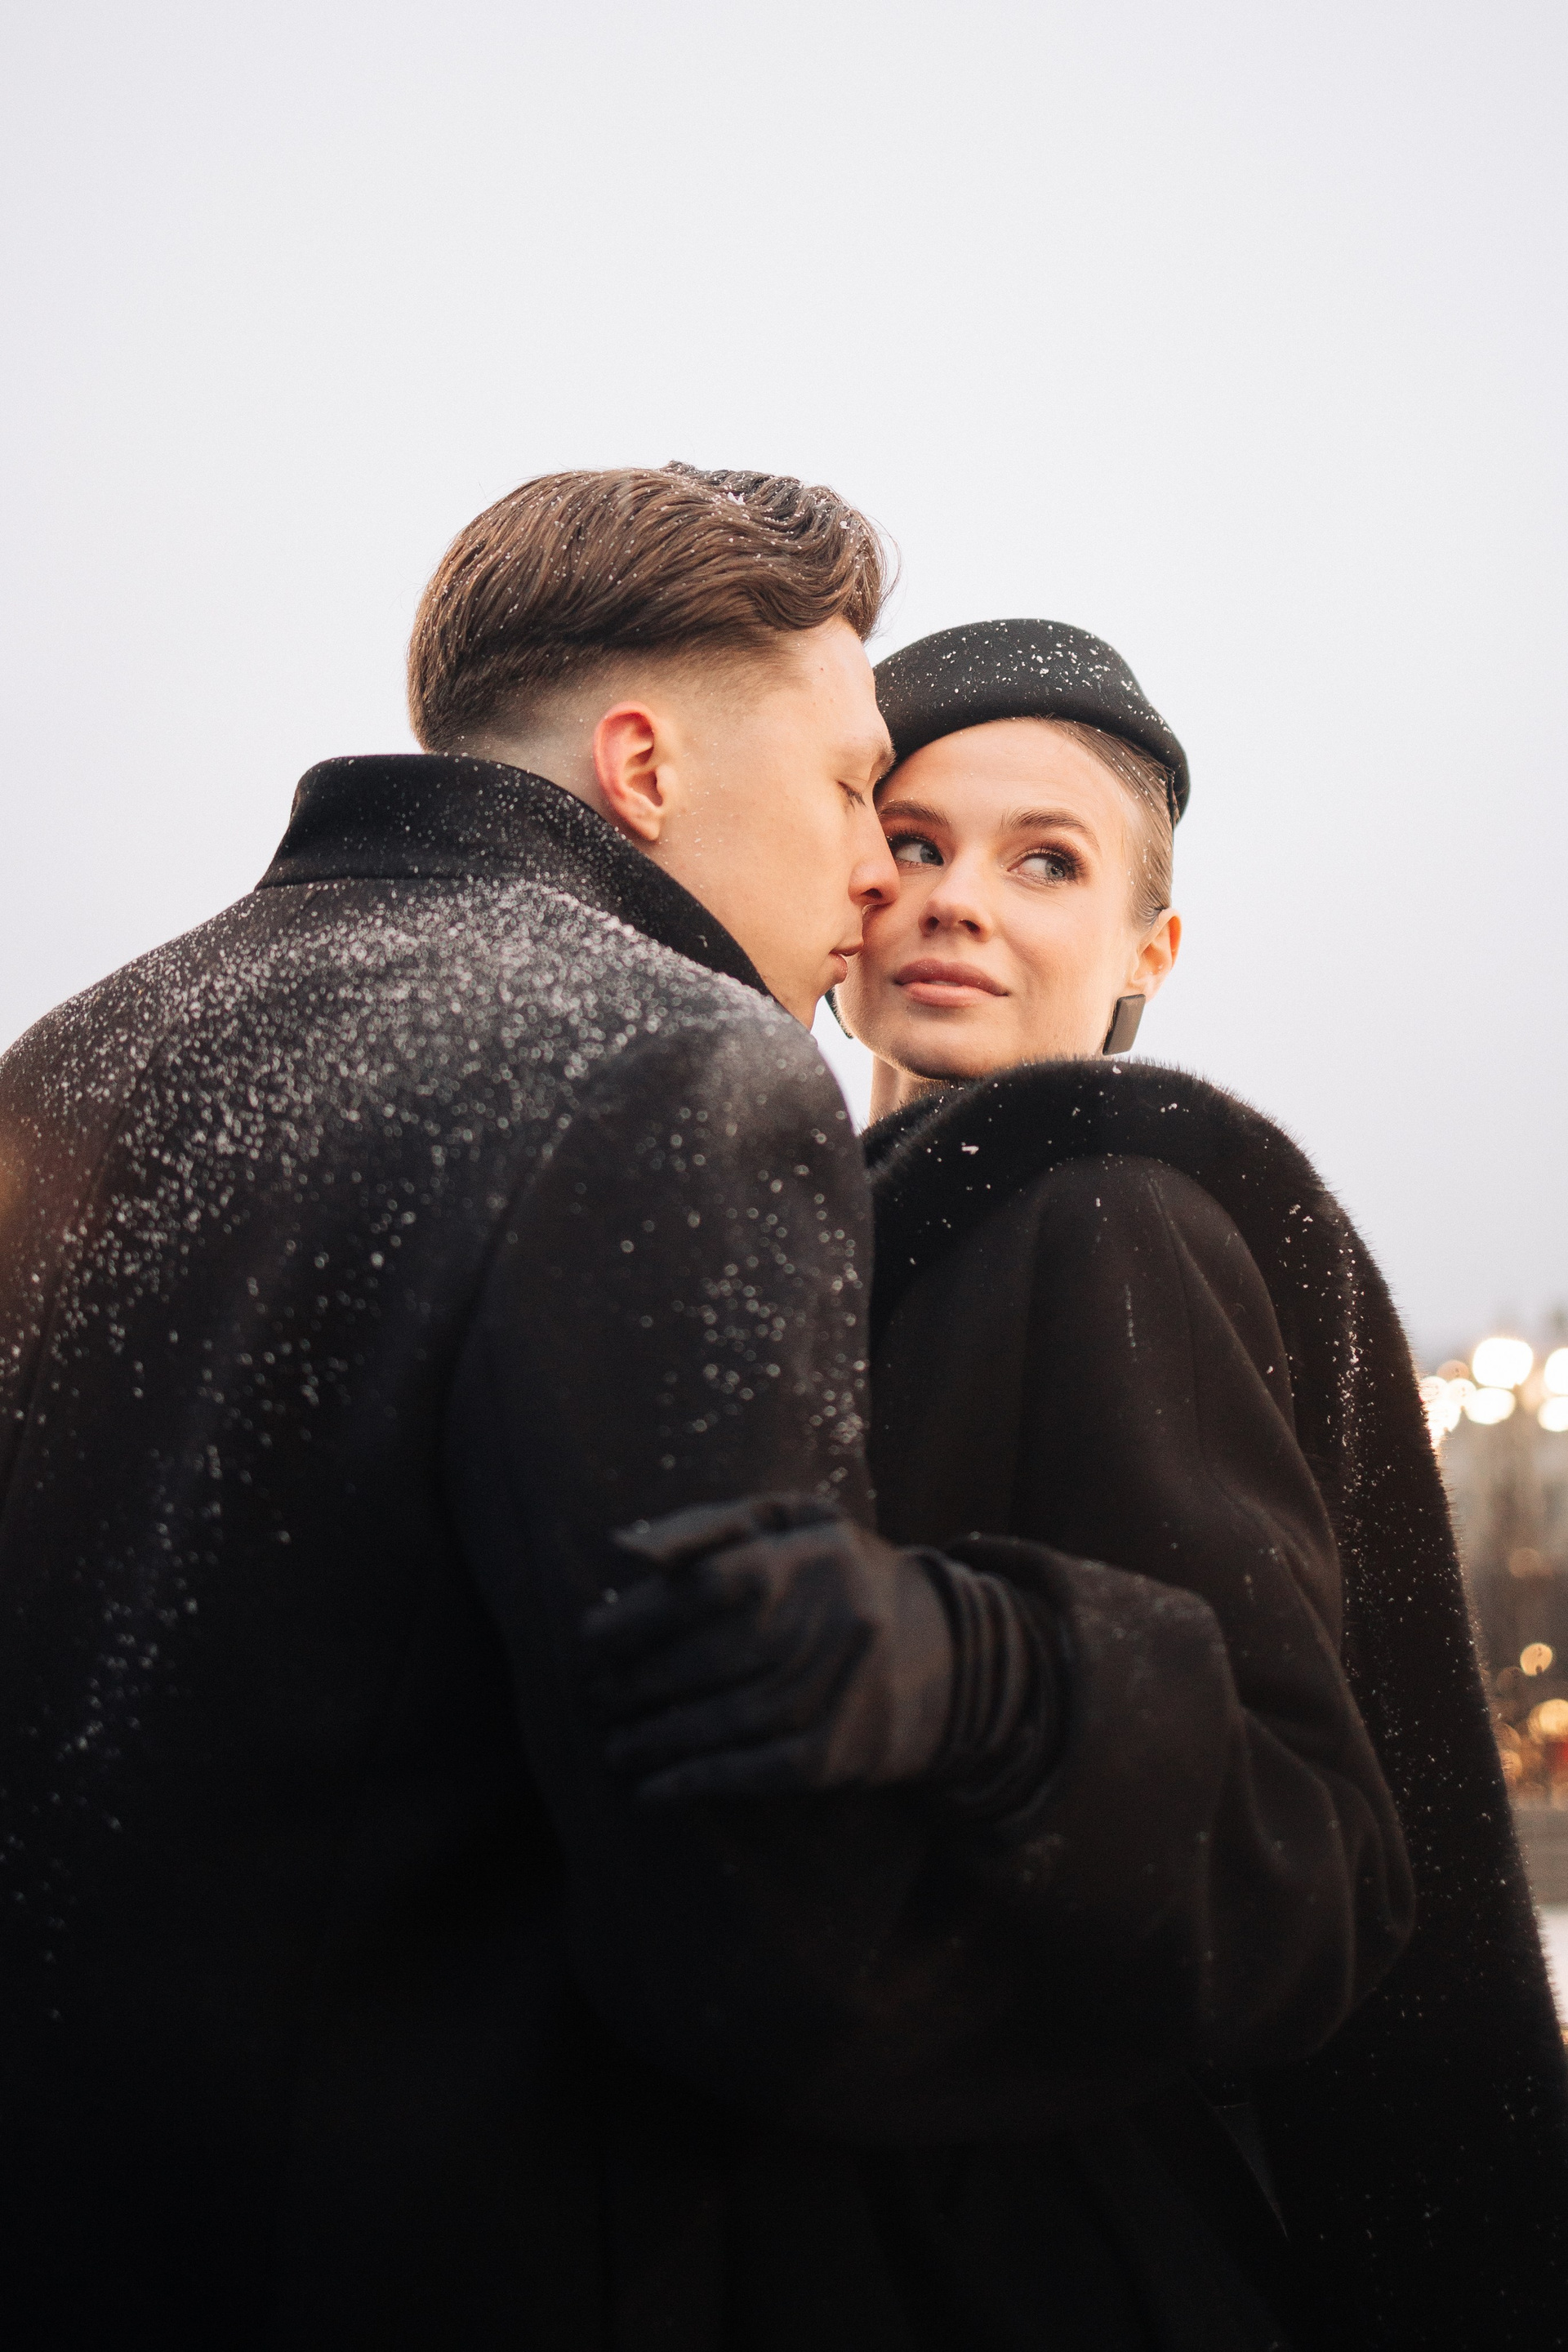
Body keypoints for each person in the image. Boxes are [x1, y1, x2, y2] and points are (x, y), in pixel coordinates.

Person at [0, 469, 1107, 2350]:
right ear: (643, 767)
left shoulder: (78, 1051)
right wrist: (1081, 1689)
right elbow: (756, 1920)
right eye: (853, 787)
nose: (878, 872)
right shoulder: (678, 1065)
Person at [817, 620, 1566, 2344]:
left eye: (1047, 862)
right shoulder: (836, 1237)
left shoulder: (1106, 1220)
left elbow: (1288, 1875)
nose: (957, 899)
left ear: (1146, 948)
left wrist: (968, 1676)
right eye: (913, 843)